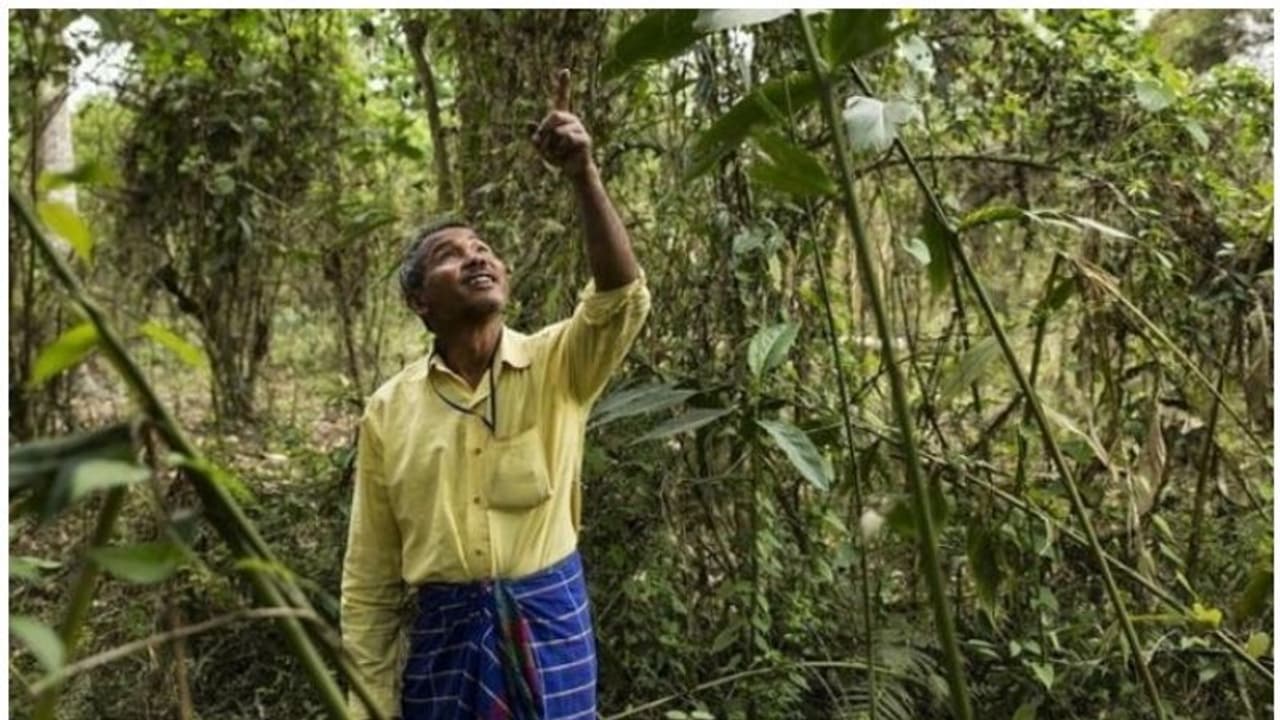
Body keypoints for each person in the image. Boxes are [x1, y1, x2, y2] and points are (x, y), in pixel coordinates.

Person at [340, 70, 649, 720]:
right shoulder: (389, 412)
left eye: (484, 249)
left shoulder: (557, 364)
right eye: (451, 256)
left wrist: (582, 172)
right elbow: (370, 577)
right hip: (446, 643)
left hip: (549, 626)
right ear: (421, 301)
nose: (477, 257)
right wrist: (366, 704)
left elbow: (620, 298)